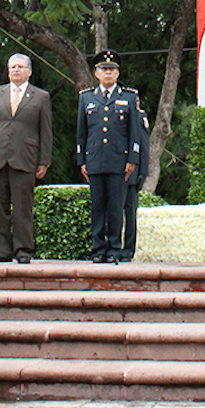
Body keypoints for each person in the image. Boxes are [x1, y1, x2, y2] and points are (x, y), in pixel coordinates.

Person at [0, 54, 53, 264]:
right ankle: (2, 251)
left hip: (25, 158)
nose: (15, 70)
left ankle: (23, 251)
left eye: (20, 67)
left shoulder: (40, 97)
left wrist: (44, 161)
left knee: (22, 208)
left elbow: (46, 131)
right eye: (12, 67)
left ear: (29, 71)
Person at [77, 50, 145, 264]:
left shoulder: (129, 97)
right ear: (96, 74)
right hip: (95, 160)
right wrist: (81, 160)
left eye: (112, 70)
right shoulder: (86, 98)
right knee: (97, 207)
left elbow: (134, 132)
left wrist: (132, 159)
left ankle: (115, 248)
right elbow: (81, 133)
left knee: (116, 208)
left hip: (119, 162)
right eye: (103, 69)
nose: (108, 73)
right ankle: (98, 249)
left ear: (117, 73)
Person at [118, 108, 150, 262]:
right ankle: (114, 248)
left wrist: (143, 172)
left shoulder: (138, 116)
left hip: (131, 175)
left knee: (130, 214)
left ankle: (128, 251)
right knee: (113, 213)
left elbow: (144, 144)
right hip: (114, 172)